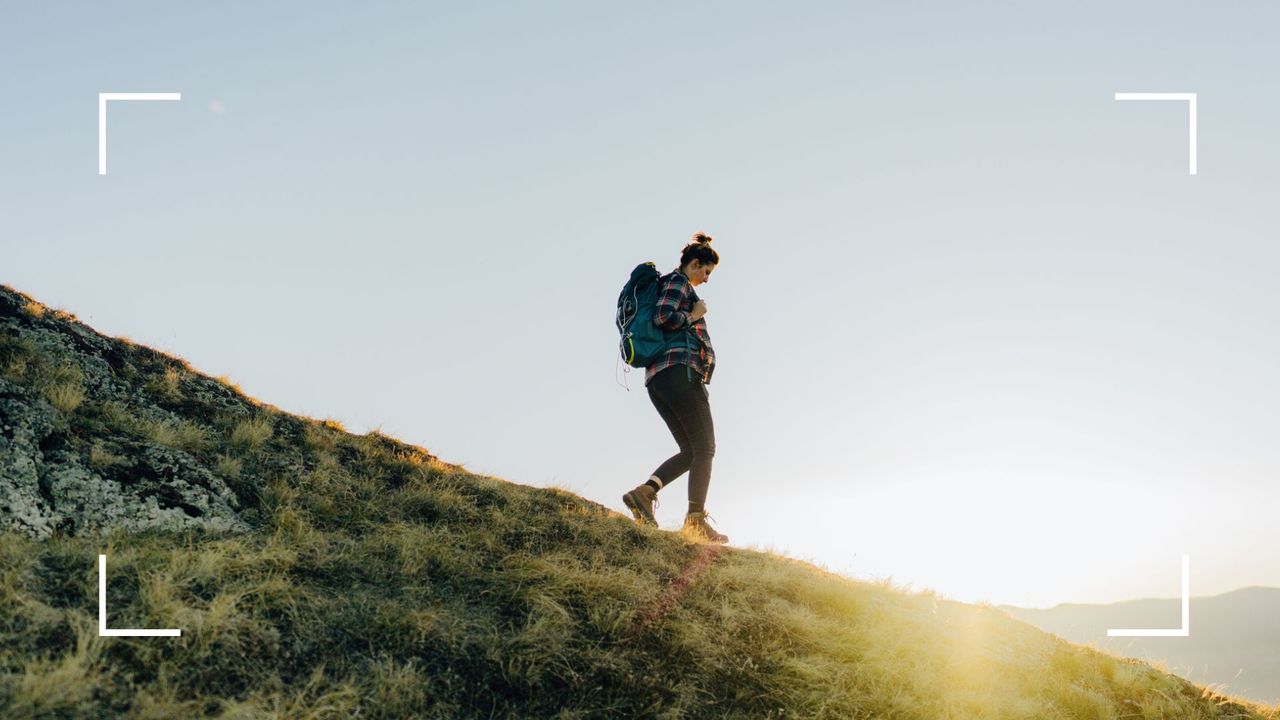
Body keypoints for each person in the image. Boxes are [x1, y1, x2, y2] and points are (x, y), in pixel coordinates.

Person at [622, 232, 728, 544]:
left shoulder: (675, 285)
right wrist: (693, 315)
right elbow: (664, 316)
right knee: (706, 448)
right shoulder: (678, 283)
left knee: (691, 451)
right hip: (679, 373)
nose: (706, 279)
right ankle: (695, 521)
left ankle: (644, 493)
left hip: (659, 380)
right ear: (694, 263)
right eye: (706, 271)